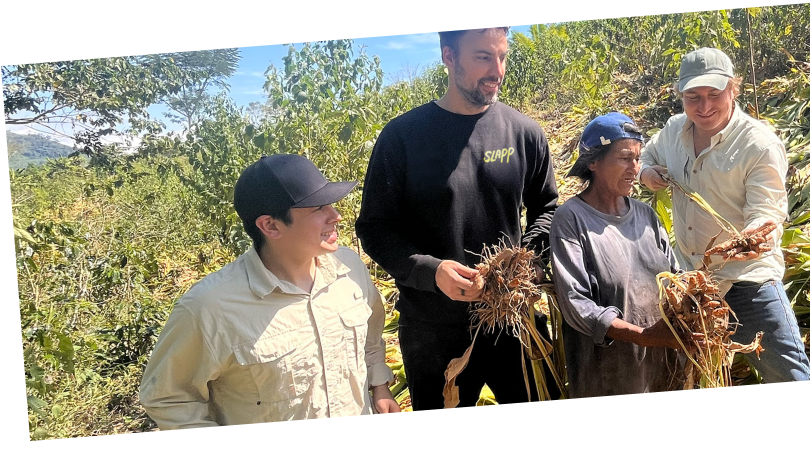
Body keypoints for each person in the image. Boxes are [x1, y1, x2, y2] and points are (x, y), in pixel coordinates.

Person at [355, 27, 559, 411]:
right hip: (433, 329)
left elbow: (547, 209)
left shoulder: (524, 133)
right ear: (449, 57)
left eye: (502, 57)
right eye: (483, 57)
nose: (496, 70)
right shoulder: (402, 137)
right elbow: (374, 227)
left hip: (513, 320)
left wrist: (522, 265)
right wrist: (431, 272)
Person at [139, 154, 399, 430]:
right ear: (270, 225)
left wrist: (379, 385)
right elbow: (167, 397)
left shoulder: (350, 269)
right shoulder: (210, 307)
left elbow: (370, 337)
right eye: (318, 208)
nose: (336, 216)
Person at [639, 47, 810, 383]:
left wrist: (751, 238)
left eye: (714, 95)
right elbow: (646, 155)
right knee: (693, 373)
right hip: (690, 280)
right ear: (681, 96)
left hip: (746, 279)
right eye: (693, 97)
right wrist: (647, 174)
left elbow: (767, 211)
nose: (704, 107)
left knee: (788, 374)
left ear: (733, 89)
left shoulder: (758, 144)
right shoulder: (674, 130)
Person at [550, 112, 691, 398]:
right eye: (625, 158)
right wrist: (644, 337)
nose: (634, 168)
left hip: (663, 370)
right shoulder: (571, 219)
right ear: (593, 162)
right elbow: (576, 304)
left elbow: (675, 279)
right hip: (608, 377)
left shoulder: (646, 216)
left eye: (638, 159)